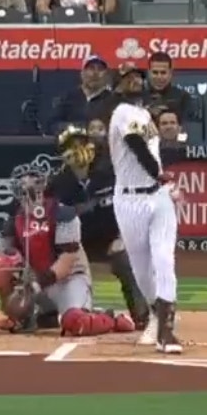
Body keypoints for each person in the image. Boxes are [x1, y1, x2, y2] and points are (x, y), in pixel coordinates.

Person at [0, 165, 137, 336]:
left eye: (31, 185)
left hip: (69, 280)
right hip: (38, 282)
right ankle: (25, 317)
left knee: (75, 322)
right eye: (23, 185)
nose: (28, 190)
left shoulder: (63, 214)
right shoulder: (16, 218)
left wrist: (36, 286)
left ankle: (111, 318)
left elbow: (66, 263)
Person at [106, 62, 181, 353]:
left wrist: (164, 182)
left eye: (138, 76)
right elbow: (135, 144)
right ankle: (156, 314)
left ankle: (166, 330)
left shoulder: (146, 114)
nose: (134, 81)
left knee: (164, 259)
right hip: (129, 200)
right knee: (140, 268)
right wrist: (157, 173)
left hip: (158, 197)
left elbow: (151, 148)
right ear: (118, 84)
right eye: (127, 78)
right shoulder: (122, 112)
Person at [47, 123, 150, 328]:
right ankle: (46, 312)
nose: (78, 150)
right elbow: (49, 223)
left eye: (82, 144)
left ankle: (142, 316)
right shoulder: (57, 184)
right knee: (45, 261)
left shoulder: (110, 175)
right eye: (71, 146)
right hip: (73, 246)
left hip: (109, 240)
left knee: (126, 259)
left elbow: (131, 209)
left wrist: (122, 236)